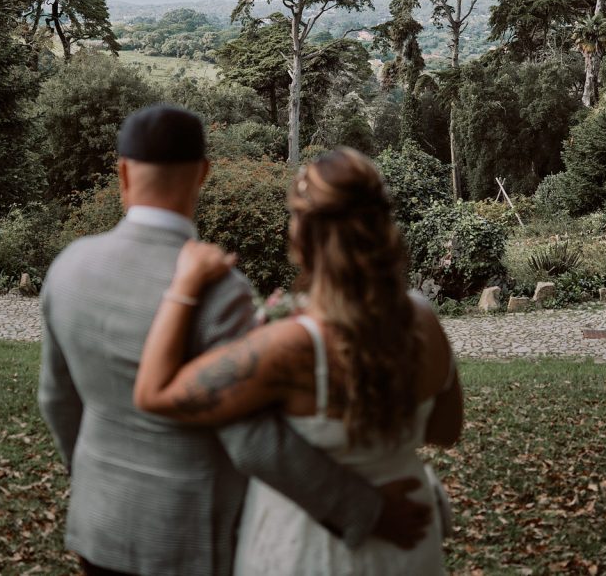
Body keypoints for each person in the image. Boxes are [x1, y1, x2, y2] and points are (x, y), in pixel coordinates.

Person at [38, 106, 432, 576]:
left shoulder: (69, 268)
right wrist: (364, 510)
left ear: (123, 172)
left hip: (97, 522)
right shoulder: (220, 291)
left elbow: (56, 399)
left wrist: (89, 477)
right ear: (203, 173)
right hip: (191, 534)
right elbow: (252, 438)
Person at [133, 146, 464, 575]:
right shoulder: (424, 318)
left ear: (303, 234)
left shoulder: (292, 346)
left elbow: (154, 392)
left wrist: (184, 284)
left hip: (312, 548)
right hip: (411, 541)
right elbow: (445, 430)